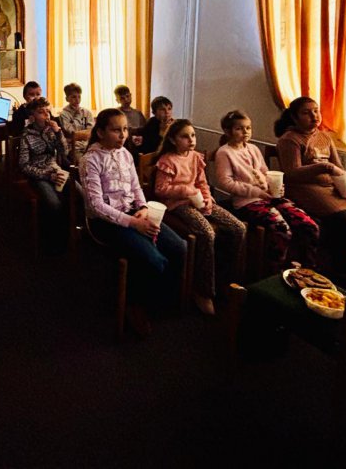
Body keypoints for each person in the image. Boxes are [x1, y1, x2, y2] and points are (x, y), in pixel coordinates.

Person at [81, 109, 187, 336]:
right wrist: (132, 223)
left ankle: (162, 297)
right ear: (100, 132)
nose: (123, 135)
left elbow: (136, 188)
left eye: (125, 129)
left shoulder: (125, 154)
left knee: (179, 247)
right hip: (106, 222)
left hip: (133, 213)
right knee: (154, 260)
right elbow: (96, 206)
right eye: (116, 130)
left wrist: (143, 208)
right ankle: (134, 303)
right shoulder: (91, 160)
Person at [274, 97, 346, 274]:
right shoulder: (289, 140)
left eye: (316, 111)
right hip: (305, 189)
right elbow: (292, 173)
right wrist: (324, 167)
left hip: (332, 188)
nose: (314, 116)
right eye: (306, 113)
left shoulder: (324, 137)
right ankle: (344, 273)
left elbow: (338, 167)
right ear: (294, 117)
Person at [153, 119, 245, 316]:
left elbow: (202, 182)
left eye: (193, 135)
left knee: (238, 228)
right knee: (207, 233)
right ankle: (203, 290)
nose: (191, 140)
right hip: (177, 205)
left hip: (199, 201)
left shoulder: (195, 157)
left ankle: (224, 278)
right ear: (173, 139)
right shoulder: (168, 160)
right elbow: (160, 189)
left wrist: (207, 198)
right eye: (185, 136)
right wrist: (185, 190)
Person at [215, 109, 319, 269]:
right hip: (247, 202)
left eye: (248, 128)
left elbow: (266, 173)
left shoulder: (253, 149)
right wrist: (257, 192)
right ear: (228, 131)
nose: (245, 132)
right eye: (239, 128)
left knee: (308, 224)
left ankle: (307, 268)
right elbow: (226, 183)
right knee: (282, 230)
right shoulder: (224, 152)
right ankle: (275, 270)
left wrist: (277, 186)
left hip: (269, 197)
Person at [17, 97, 71, 252]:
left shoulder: (51, 131)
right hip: (38, 175)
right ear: (33, 117)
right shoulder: (26, 136)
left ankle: (71, 232)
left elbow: (64, 152)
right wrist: (47, 176)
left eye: (48, 111)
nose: (47, 115)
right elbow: (24, 165)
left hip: (55, 169)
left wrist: (58, 132)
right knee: (54, 204)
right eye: (41, 112)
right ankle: (52, 241)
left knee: (80, 193)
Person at [114, 84, 146, 150]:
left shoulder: (138, 113)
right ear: (117, 100)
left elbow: (145, 129)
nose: (126, 99)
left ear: (131, 96)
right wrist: (131, 137)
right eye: (122, 98)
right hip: (123, 145)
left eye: (127, 96)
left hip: (138, 145)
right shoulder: (116, 114)